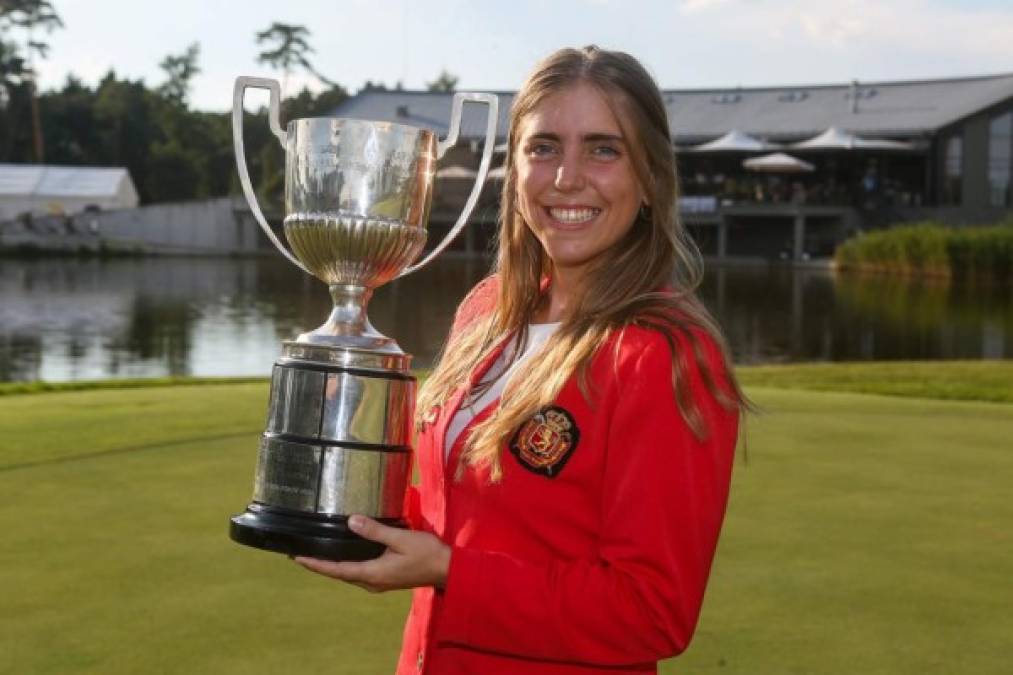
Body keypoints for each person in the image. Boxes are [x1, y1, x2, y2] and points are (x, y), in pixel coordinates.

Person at [295, 45, 748, 674]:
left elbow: (651, 610)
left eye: (603, 148)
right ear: (516, 170)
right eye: (543, 147)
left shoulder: (662, 356)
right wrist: (339, 505)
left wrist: (451, 573)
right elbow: (461, 511)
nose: (567, 177)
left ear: (649, 178)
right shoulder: (487, 311)